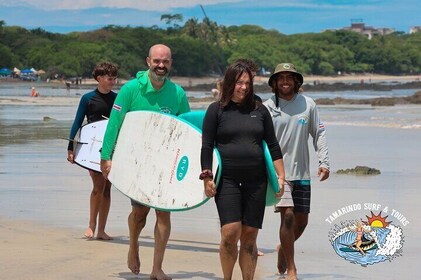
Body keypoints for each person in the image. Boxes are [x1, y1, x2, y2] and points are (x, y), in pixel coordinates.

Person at [100, 44, 190, 279]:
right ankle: (133, 245)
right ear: (148, 61)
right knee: (140, 213)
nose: (161, 66)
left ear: (170, 63)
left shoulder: (178, 93)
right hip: (136, 162)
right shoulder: (131, 90)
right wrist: (105, 157)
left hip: (165, 165)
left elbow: (188, 131)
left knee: (163, 214)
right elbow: (114, 123)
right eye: (157, 61)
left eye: (166, 62)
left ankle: (157, 268)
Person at [200, 62, 285, 280]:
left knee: (249, 237)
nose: (244, 87)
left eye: (247, 83)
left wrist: (281, 176)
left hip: (256, 181)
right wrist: (207, 176)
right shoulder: (216, 110)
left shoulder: (260, 110)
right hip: (226, 179)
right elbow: (206, 145)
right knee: (230, 232)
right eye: (239, 82)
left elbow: (272, 145)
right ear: (230, 83)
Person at [263, 63, 330, 280]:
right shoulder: (267, 107)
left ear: (296, 81)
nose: (285, 82)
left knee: (302, 222)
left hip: (302, 172)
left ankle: (284, 247)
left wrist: (324, 162)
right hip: (279, 173)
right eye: (280, 78)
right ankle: (292, 268)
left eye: (289, 78)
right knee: (288, 217)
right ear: (274, 82)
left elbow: (318, 134)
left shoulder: (308, 104)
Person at [67, 62, 118, 240]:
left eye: (114, 78)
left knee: (108, 188)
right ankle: (91, 225)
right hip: (92, 148)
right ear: (99, 79)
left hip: (112, 148)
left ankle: (102, 230)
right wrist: (71, 147)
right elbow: (77, 122)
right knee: (98, 186)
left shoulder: (117, 99)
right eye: (109, 78)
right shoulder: (88, 98)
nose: (113, 81)